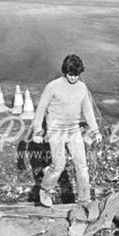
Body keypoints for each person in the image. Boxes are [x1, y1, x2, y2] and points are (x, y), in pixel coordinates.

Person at [32, 54, 102, 207]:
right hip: (56, 131)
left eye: (77, 75)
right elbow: (41, 108)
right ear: (65, 71)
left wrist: (95, 130)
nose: (73, 78)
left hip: (73, 131)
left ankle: (84, 200)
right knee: (58, 165)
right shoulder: (53, 87)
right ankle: (45, 189)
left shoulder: (82, 88)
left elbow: (88, 110)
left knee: (82, 166)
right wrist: (37, 131)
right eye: (70, 74)